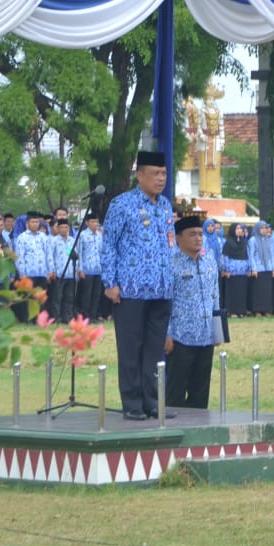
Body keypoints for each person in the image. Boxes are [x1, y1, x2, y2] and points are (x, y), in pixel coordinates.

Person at [101, 150, 175, 421]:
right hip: (130, 290)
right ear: (140, 175)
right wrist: (110, 282)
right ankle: (132, 403)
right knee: (131, 348)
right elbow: (108, 244)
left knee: (155, 351)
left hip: (161, 289)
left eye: (164, 173)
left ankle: (152, 402)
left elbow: (170, 244)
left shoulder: (165, 205)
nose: (160, 179)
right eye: (155, 174)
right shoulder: (122, 204)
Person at [165, 216, 220, 409]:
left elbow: (216, 296)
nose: (198, 238)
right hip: (180, 338)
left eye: (200, 234)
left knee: (200, 392)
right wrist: (167, 334)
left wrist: (218, 331)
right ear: (178, 238)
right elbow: (165, 303)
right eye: (192, 234)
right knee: (175, 392)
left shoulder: (210, 261)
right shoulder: (171, 264)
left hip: (206, 337)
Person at [13, 211, 53, 323]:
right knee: (30, 298)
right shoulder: (22, 238)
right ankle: (30, 320)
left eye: (37, 222)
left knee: (41, 297)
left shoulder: (44, 237)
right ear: (27, 223)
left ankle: (41, 320)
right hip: (29, 273)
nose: (35, 224)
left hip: (42, 272)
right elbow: (19, 257)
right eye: (33, 222)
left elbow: (48, 254)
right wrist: (22, 274)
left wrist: (50, 270)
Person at [48, 218, 77, 323]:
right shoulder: (54, 241)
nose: (64, 229)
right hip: (59, 273)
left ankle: (68, 318)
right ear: (58, 228)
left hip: (70, 273)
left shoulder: (72, 241)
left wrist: (77, 269)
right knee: (57, 297)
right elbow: (50, 256)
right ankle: (56, 318)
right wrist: (52, 270)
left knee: (69, 297)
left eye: (66, 227)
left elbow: (75, 256)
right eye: (62, 227)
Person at [77, 212, 104, 321]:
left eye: (97, 222)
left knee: (96, 295)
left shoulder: (99, 235)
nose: (95, 224)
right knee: (86, 295)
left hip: (98, 269)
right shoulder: (82, 235)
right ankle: (85, 316)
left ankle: (93, 315)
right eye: (93, 222)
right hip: (87, 270)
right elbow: (79, 253)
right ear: (87, 223)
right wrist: (80, 269)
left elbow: (102, 252)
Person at [221, 223, 251, 317]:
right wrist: (226, 269)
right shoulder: (228, 242)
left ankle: (241, 311)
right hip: (232, 272)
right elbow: (225, 256)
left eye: (241, 229)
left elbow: (248, 255)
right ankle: (232, 311)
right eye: (237, 228)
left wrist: (249, 268)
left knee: (241, 292)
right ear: (233, 230)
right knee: (233, 292)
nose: (239, 230)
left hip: (243, 272)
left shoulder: (244, 242)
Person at [248, 221, 274, 315]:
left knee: (267, 290)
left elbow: (271, 255)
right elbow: (251, 255)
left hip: (267, 268)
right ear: (257, 229)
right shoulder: (253, 240)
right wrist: (254, 268)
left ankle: (266, 310)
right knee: (258, 291)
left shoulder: (268, 239)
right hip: (258, 269)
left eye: (265, 228)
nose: (264, 230)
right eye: (262, 228)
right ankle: (257, 310)